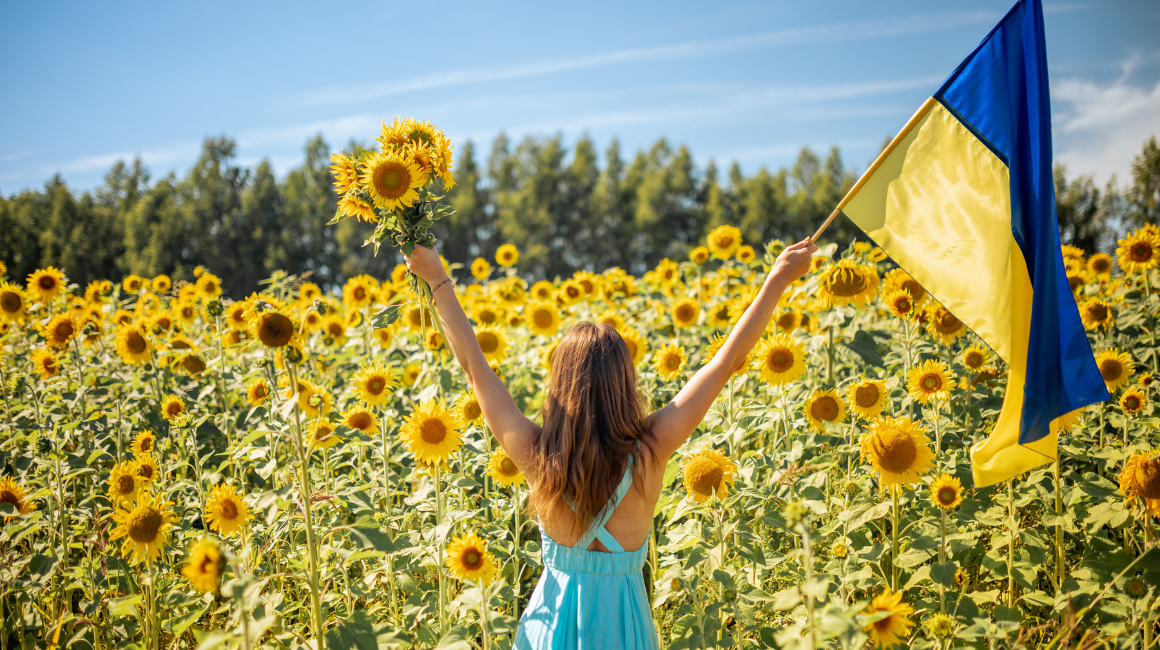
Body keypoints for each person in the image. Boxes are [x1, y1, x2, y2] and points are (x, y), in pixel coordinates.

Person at [403, 239, 817, 650]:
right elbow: (724, 362)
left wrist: (438, 278)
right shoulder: (652, 449)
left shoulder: (537, 455)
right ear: (626, 381)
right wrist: (776, 280)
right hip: (625, 631)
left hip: (549, 631)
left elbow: (474, 367)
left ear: (560, 384)